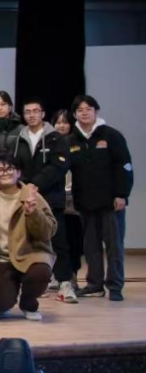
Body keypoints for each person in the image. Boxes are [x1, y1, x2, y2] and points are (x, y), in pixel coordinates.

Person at [66, 95, 132, 301]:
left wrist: (121, 194)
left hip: (111, 203)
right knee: (90, 247)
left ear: (96, 111)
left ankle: (115, 286)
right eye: (80, 110)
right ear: (75, 114)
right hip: (85, 203)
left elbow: (124, 166)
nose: (84, 113)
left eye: (89, 109)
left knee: (114, 246)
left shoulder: (111, 135)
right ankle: (94, 284)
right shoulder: (71, 140)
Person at [0, 155, 57, 320]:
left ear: (19, 173)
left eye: (10, 169)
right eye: (0, 170)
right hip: (1, 259)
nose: (5, 173)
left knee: (41, 271)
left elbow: (49, 231)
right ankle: (2, 294)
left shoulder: (33, 197)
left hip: (30, 254)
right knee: (0, 305)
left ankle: (28, 303)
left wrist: (33, 213)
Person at [13, 98, 74, 303]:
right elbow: (15, 166)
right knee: (28, 241)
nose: (31, 115)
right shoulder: (19, 139)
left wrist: (34, 185)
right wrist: (24, 188)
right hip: (25, 197)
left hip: (51, 197)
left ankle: (65, 282)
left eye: (35, 111)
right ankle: (33, 283)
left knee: (58, 240)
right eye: (27, 112)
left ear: (43, 113)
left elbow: (59, 166)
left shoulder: (56, 138)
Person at [53, 109, 85, 295]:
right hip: (55, 199)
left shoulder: (76, 144)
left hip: (74, 201)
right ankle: (56, 277)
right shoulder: (49, 142)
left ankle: (72, 276)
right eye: (58, 122)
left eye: (65, 122)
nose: (61, 125)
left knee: (74, 240)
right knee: (56, 241)